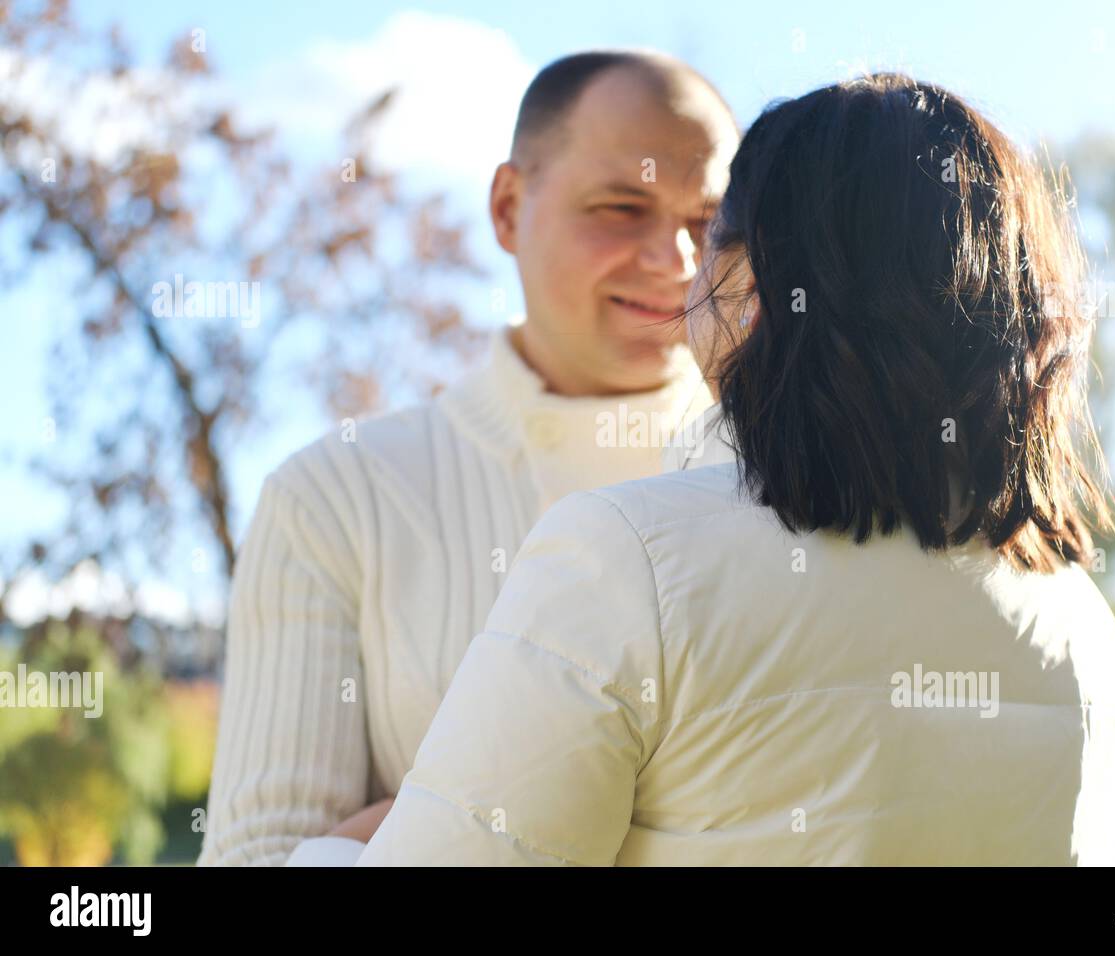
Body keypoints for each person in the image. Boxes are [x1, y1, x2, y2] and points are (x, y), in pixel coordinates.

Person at [295, 72, 1115, 866]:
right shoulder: (1086, 627)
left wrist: (344, 844)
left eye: (710, 233)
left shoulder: (624, 559)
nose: (679, 267)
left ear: (754, 285)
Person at [197, 50, 737, 866]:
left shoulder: (793, 484)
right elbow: (257, 860)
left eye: (709, 222)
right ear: (510, 207)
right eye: (623, 207)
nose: (677, 262)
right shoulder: (335, 497)